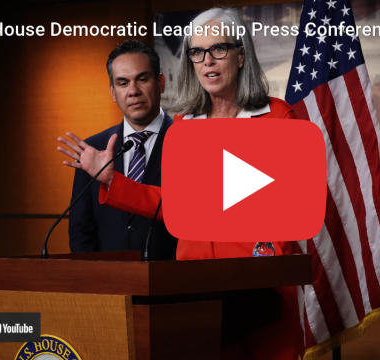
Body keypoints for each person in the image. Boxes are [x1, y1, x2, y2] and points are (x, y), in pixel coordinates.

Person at [58, 8, 301, 359]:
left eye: (219, 49)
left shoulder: (277, 116)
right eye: (197, 52)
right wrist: (112, 180)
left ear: (242, 54)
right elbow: (175, 203)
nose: (207, 61)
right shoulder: (187, 127)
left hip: (258, 288)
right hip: (194, 290)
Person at [58, 40, 177, 261]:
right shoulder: (92, 149)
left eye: (142, 79)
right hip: (110, 286)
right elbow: (81, 231)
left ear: (160, 83)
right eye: (123, 83)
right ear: (113, 92)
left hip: (172, 283)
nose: (133, 91)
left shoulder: (187, 141)